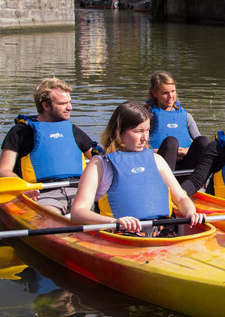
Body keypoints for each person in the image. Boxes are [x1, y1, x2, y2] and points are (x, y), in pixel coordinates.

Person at [70, 100, 205, 235]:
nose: (145, 138)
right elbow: (78, 212)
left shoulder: (157, 160)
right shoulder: (99, 165)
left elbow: (181, 198)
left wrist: (191, 212)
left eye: (147, 130)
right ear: (119, 132)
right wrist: (113, 222)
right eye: (138, 131)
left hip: (161, 233)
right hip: (121, 235)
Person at [0, 77, 96, 214]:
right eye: (63, 103)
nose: (70, 107)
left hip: (79, 193)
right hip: (42, 195)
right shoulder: (20, 133)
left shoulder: (73, 131)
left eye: (70, 102)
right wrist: (24, 187)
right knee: (50, 216)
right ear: (46, 106)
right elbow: (3, 171)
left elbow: (100, 161)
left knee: (92, 213)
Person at [145, 70, 210, 172]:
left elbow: (201, 146)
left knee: (203, 140)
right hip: (160, 167)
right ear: (154, 93)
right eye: (165, 93)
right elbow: (136, 148)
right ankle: (168, 185)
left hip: (186, 166)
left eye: (173, 91)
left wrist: (186, 151)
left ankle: (202, 181)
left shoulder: (186, 117)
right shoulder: (147, 117)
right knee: (171, 143)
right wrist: (159, 152)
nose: (171, 97)